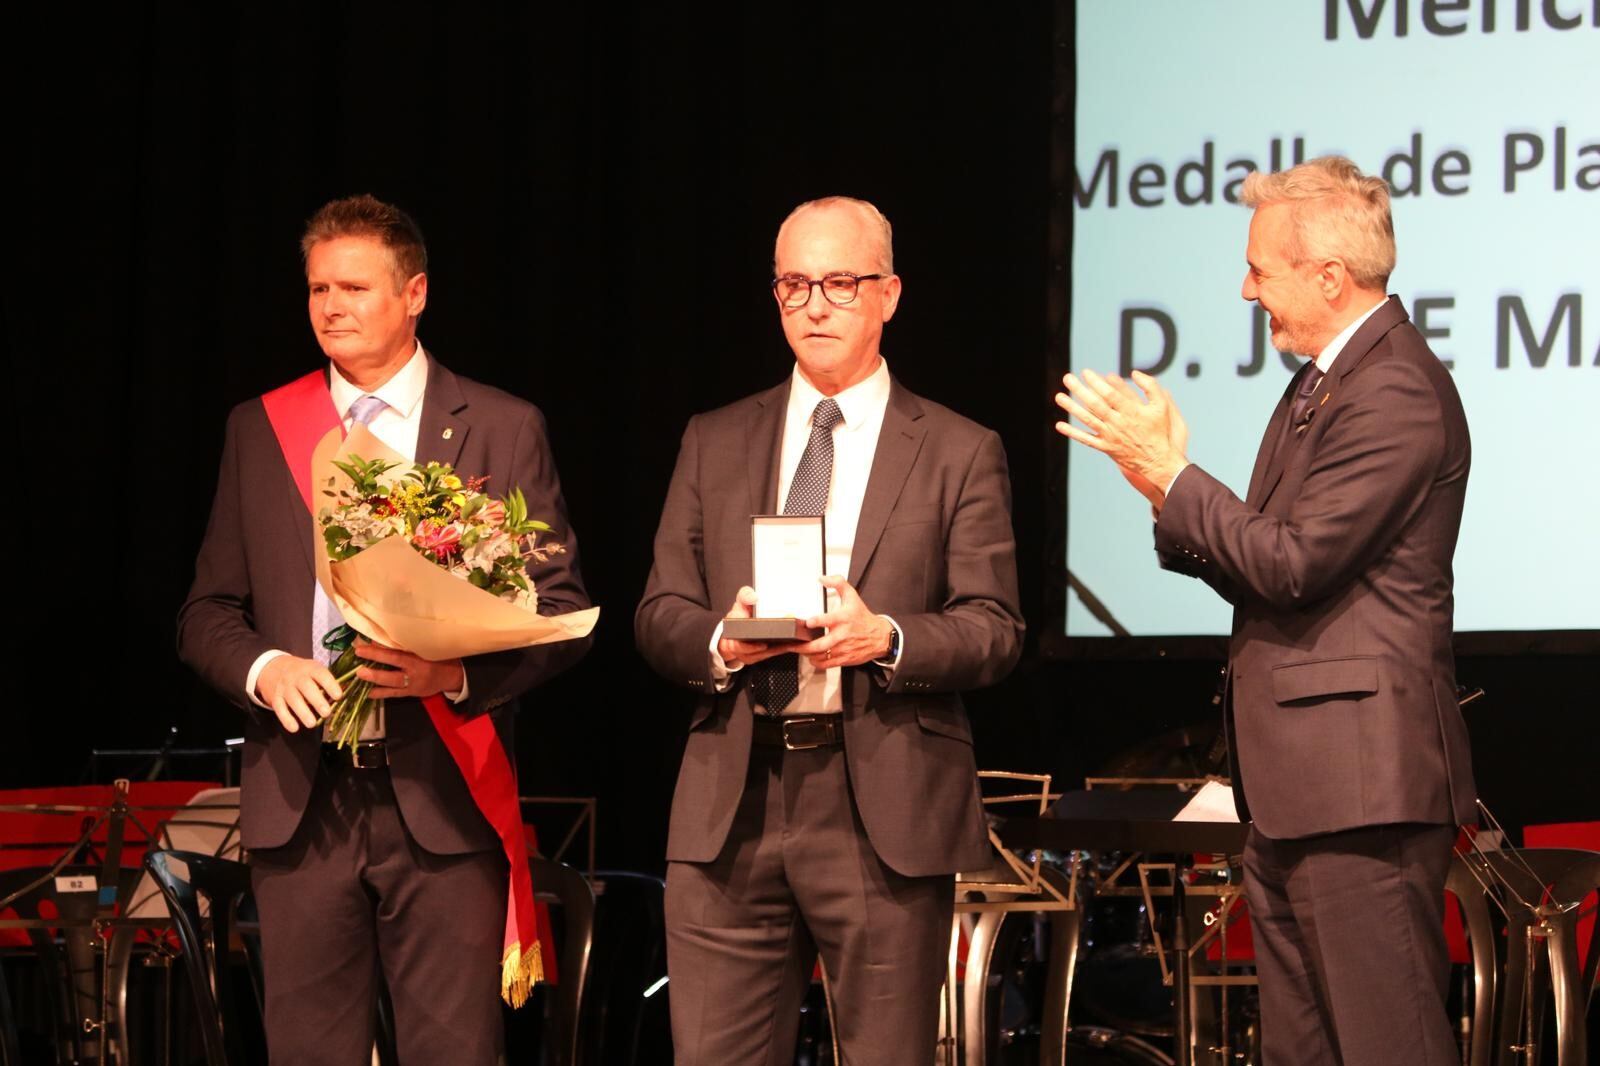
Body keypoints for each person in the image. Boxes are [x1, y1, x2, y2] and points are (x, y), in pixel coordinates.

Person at [1054, 155, 1475, 1066]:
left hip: (1359, 790)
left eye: (1260, 268)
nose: (1247, 289)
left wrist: (1175, 479)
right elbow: (1259, 563)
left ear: (1329, 274)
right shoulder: (1319, 386)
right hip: (1299, 791)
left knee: (1387, 1043)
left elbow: (1291, 565)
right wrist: (1158, 486)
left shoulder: (1394, 389)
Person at [178, 194, 591, 1064]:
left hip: (443, 795)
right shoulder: (260, 429)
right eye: (319, 288)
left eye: (355, 287)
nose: (332, 306)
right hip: (303, 799)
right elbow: (207, 612)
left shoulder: (503, 427)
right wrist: (264, 669)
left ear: (415, 294)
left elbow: (560, 612)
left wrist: (457, 679)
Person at [635, 195, 1024, 1064]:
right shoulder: (714, 438)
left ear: (888, 294)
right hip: (731, 803)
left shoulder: (960, 448)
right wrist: (720, 642)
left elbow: (995, 629)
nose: (814, 304)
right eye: (794, 284)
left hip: (879, 802)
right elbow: (659, 614)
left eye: (839, 283)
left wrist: (883, 637)